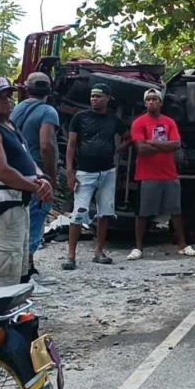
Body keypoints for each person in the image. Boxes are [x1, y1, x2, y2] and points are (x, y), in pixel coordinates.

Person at [0, 76, 53, 286]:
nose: (7, 101)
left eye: (9, 96)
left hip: (18, 201)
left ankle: (19, 294)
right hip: (2, 204)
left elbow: (25, 157)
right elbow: (2, 170)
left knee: (19, 255)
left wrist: (41, 177)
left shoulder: (9, 124)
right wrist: (36, 187)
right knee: (3, 259)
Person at [63, 83, 130, 269]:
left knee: (104, 213)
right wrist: (70, 170)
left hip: (107, 171)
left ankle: (99, 251)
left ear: (108, 98)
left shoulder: (113, 120)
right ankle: (71, 256)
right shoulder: (80, 118)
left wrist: (118, 149)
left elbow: (128, 136)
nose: (94, 99)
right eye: (92, 96)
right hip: (85, 172)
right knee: (78, 213)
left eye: (99, 96)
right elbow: (71, 145)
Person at [127, 88, 195, 260]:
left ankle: (182, 245)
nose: (151, 102)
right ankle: (138, 247)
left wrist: (152, 142)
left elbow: (176, 144)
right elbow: (141, 149)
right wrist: (162, 144)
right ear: (145, 103)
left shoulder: (169, 122)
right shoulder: (139, 123)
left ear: (160, 102)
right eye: (148, 100)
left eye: (155, 99)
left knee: (175, 211)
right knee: (143, 212)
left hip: (169, 173)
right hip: (147, 174)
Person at [10, 72, 59, 290]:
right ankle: (27, 273)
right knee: (36, 221)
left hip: (16, 172)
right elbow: (46, 144)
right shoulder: (48, 111)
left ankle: (22, 270)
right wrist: (51, 175)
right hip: (38, 174)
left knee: (20, 222)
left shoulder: (17, 109)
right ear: (49, 89)